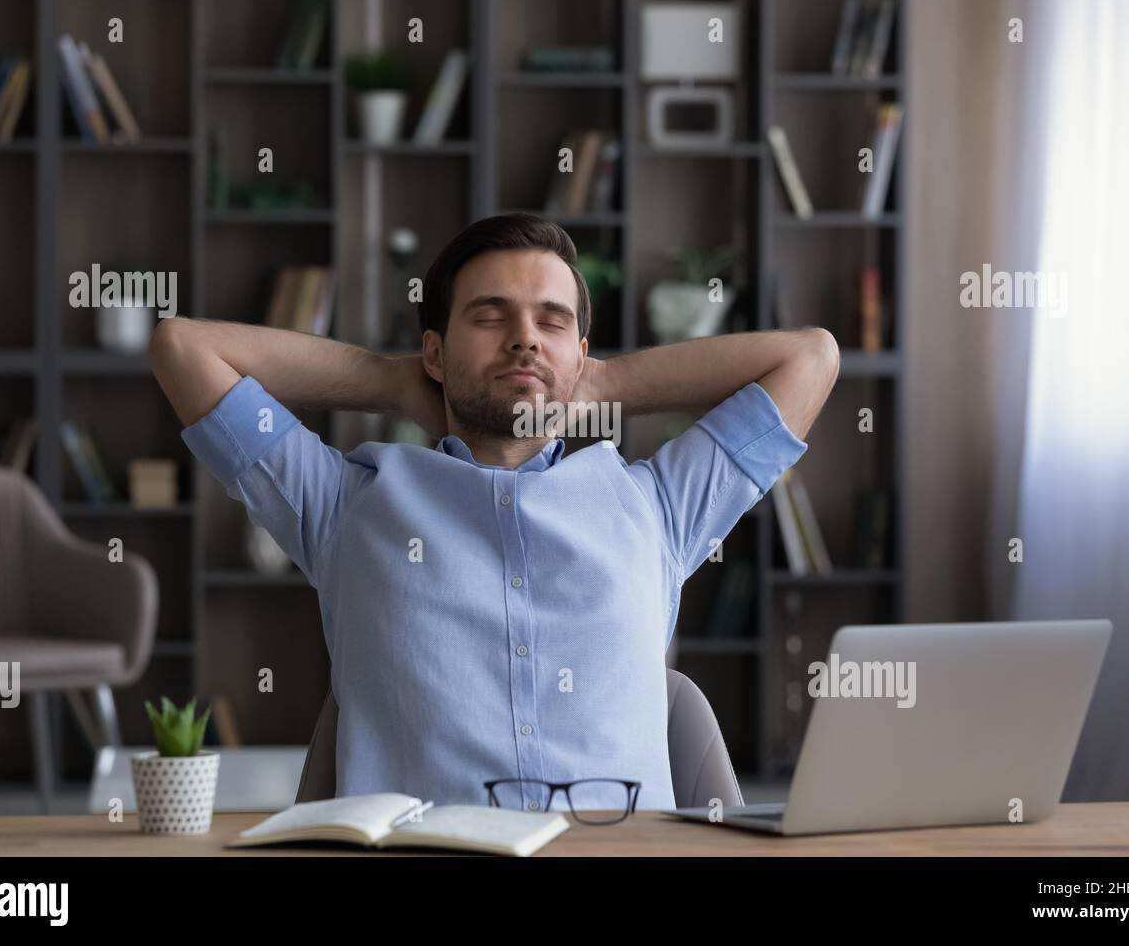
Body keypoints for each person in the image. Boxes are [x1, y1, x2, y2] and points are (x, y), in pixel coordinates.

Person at [150, 212, 839, 811]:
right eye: (489, 315)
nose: (525, 338)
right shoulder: (344, 507)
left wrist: (605, 383)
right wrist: (395, 384)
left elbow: (810, 357)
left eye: (553, 321)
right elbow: (184, 349)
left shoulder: (655, 506)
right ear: (435, 351)